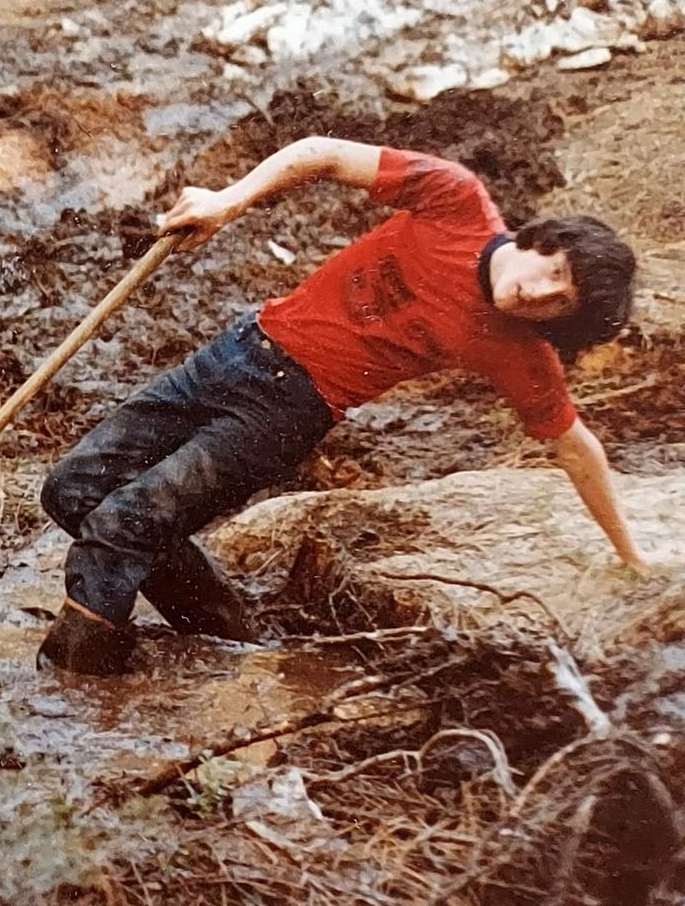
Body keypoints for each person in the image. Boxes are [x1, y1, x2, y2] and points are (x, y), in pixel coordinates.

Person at [37, 135, 645, 676]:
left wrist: (631, 559)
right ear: (546, 241)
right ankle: (227, 641)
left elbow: (573, 444)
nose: (537, 293)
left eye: (559, 303)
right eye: (554, 270)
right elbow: (323, 154)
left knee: (127, 522)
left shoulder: (519, 352)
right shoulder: (456, 199)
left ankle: (79, 685)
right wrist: (229, 200)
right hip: (237, 350)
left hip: (288, 411)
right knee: (72, 489)